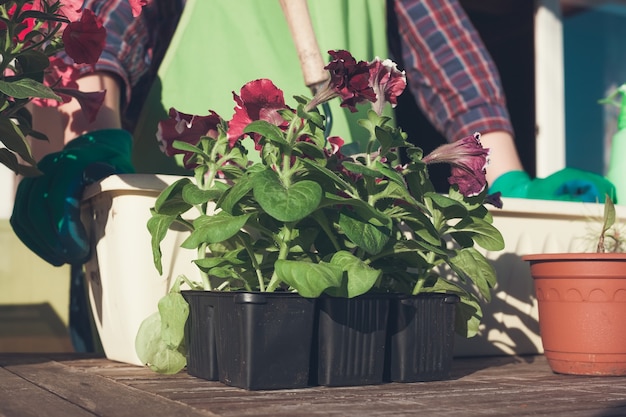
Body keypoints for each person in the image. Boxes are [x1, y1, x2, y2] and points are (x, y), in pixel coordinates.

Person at [13, 0, 617, 270]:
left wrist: (504, 174)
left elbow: (450, 55)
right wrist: (98, 131)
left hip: (343, 206)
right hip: (176, 207)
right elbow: (116, 21)